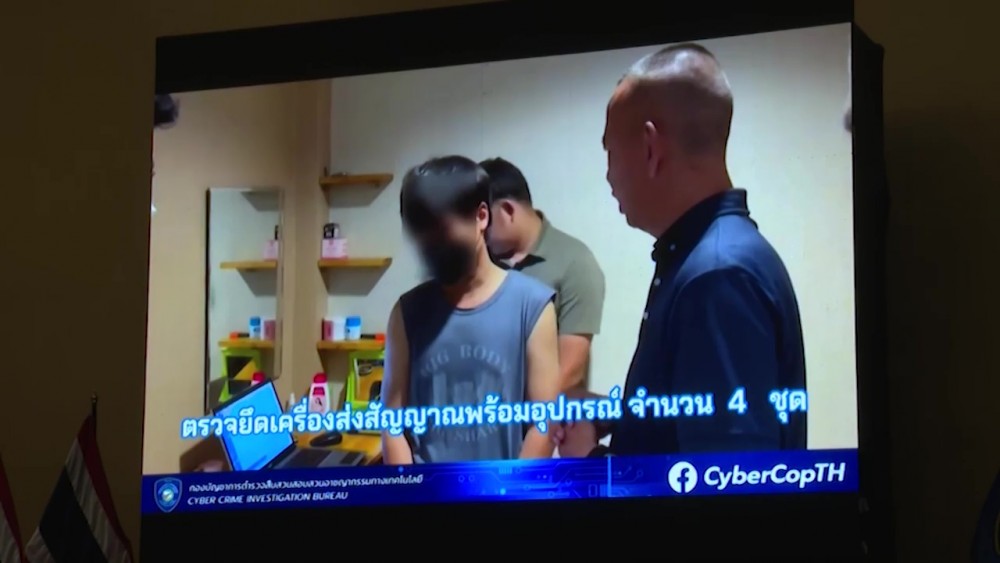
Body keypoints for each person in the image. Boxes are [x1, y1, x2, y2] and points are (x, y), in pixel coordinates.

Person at [555, 43, 807, 457]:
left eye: (610, 152)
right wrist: (627, 417)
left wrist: (590, 461)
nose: (608, 175)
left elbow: (726, 481)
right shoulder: (715, 256)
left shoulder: (716, 276)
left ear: (651, 149)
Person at [382, 155, 561, 464]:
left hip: (506, 488)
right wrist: (412, 487)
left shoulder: (532, 306)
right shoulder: (407, 312)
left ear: (481, 217)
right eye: (423, 237)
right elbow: (392, 424)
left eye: (442, 231)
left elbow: (543, 423)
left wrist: (508, 488)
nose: (433, 249)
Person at [479, 157, 606, 391]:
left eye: (484, 219)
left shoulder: (575, 263)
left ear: (507, 211)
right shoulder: (480, 261)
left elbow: (570, 369)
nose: (479, 230)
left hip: (543, 411)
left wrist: (515, 408)